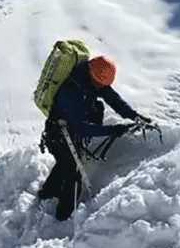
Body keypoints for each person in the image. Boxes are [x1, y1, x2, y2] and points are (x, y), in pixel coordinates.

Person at [36, 54, 153, 221]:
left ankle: (46, 193)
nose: (102, 88)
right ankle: (64, 217)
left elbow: (114, 99)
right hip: (58, 135)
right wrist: (113, 130)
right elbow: (82, 128)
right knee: (73, 175)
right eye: (100, 84)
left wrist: (134, 116)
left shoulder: (94, 80)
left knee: (65, 165)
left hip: (69, 131)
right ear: (92, 76)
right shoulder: (70, 92)